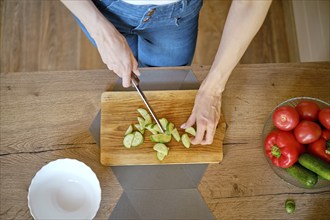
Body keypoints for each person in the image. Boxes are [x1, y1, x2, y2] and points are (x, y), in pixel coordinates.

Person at [61, 0, 272, 145]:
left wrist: (213, 91)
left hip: (177, 15)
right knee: (126, 71)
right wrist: (101, 32)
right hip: (101, 8)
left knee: (163, 82)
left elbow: (251, 3)